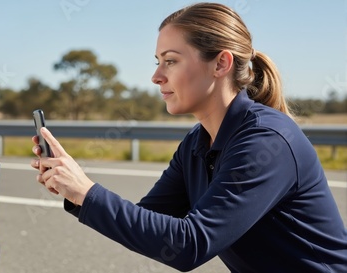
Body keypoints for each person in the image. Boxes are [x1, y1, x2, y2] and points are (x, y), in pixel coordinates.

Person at [30, 2, 347, 272]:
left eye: (171, 60)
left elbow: (188, 245)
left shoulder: (267, 142)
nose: (156, 76)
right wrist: (75, 190)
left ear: (220, 64)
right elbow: (151, 221)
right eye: (158, 62)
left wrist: (88, 192)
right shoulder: (198, 142)